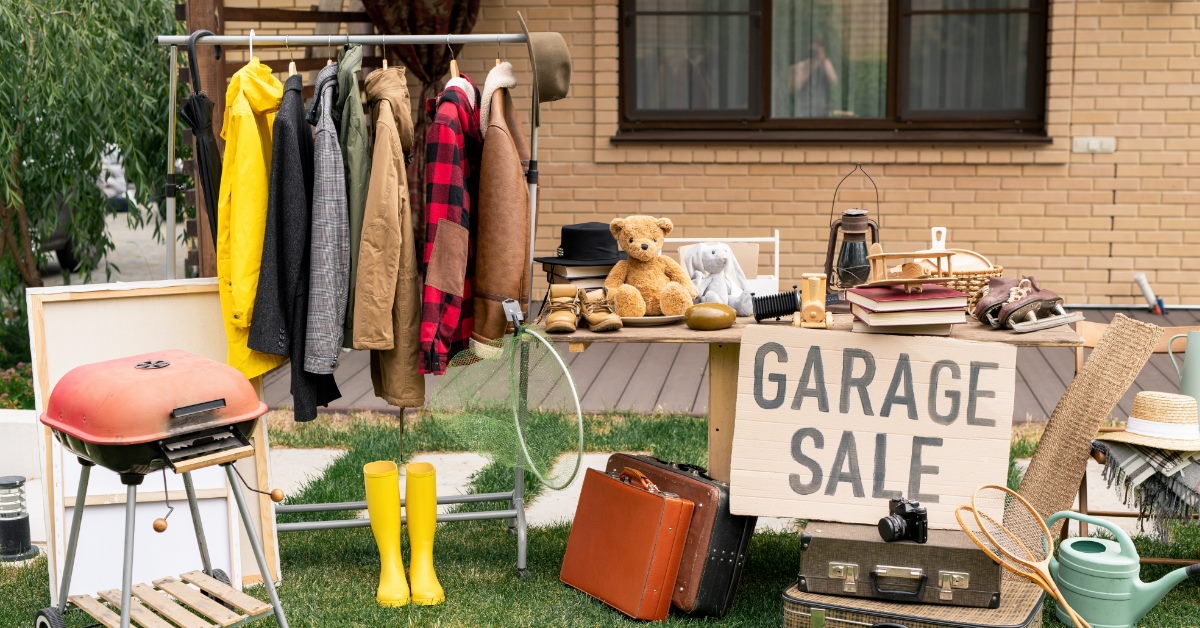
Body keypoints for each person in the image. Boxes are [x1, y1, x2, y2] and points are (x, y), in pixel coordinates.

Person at [790, 38, 839, 117]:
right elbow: (794, 86)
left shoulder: (826, 63)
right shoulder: (802, 65)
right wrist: (811, 66)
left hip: (822, 111)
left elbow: (834, 81)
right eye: (813, 51)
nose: (815, 53)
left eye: (818, 50)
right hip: (803, 111)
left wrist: (823, 60)